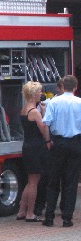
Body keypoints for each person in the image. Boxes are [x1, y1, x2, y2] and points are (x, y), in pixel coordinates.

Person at [42, 75, 81, 227]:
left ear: (63, 86)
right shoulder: (79, 103)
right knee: (71, 182)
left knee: (53, 180)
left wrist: (48, 140)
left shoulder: (54, 102)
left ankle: (49, 217)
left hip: (58, 143)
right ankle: (67, 218)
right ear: (76, 87)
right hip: (75, 142)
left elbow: (46, 123)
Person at [16, 82, 51, 222]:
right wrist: (49, 141)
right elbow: (44, 129)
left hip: (28, 146)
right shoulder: (35, 112)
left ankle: (21, 211)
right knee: (34, 182)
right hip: (37, 147)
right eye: (39, 92)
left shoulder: (24, 109)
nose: (41, 94)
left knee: (30, 180)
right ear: (33, 94)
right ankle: (30, 213)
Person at [34, 77, 64, 216]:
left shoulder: (53, 103)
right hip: (54, 141)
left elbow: (46, 123)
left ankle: (54, 207)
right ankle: (42, 205)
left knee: (59, 177)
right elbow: (46, 124)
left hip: (54, 141)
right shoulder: (51, 103)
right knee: (48, 176)